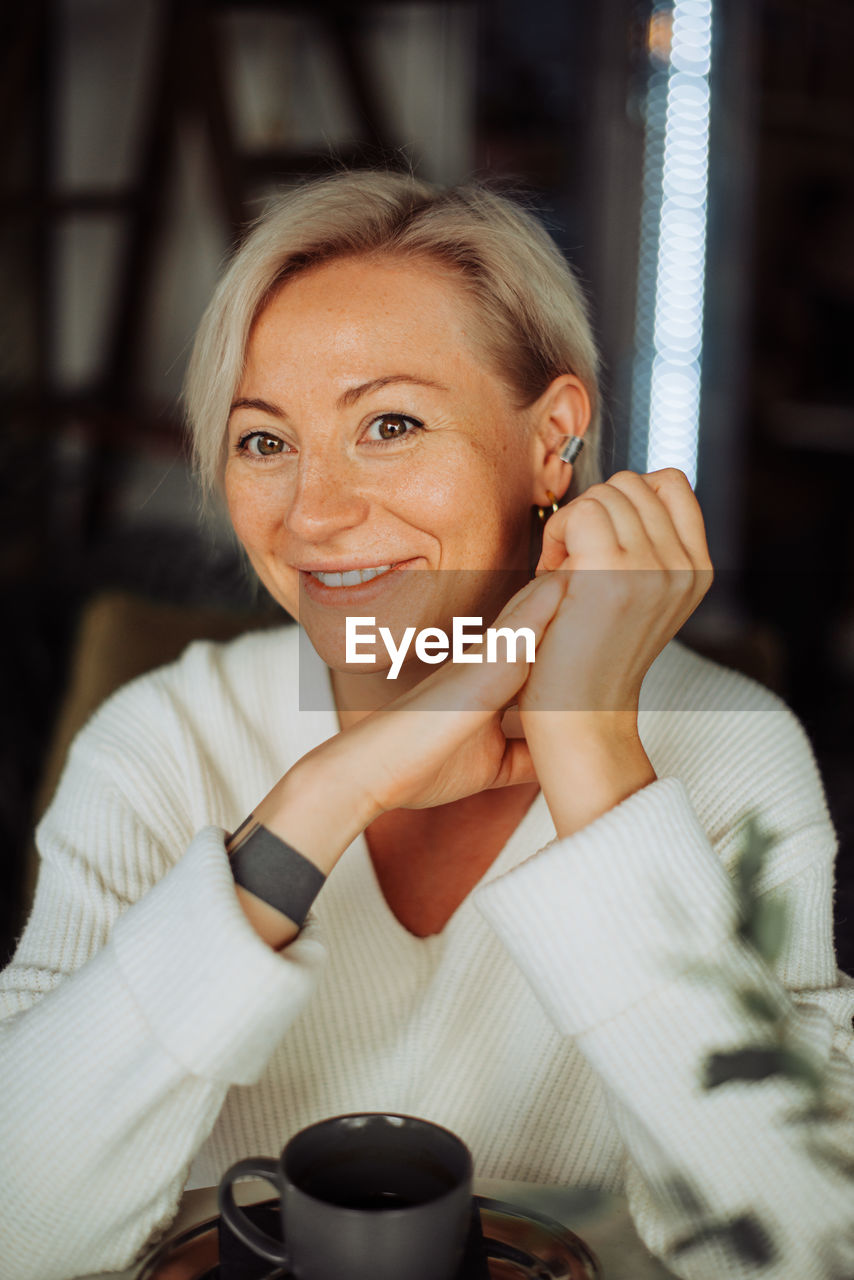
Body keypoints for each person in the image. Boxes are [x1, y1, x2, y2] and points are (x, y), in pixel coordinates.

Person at [1, 171, 852, 1280]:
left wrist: (593, 753)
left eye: (389, 423)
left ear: (551, 438)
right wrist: (321, 798)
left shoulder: (731, 748)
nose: (311, 512)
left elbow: (810, 1247)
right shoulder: (164, 734)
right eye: (265, 441)